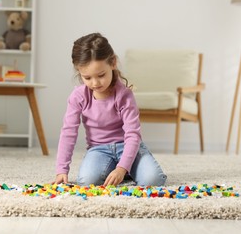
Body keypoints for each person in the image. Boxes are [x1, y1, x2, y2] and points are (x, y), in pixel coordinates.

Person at [54, 32, 167, 187]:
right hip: (99, 150)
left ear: (113, 63)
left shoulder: (124, 95)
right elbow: (68, 132)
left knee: (153, 180)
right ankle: (119, 169)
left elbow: (133, 135)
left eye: (101, 75)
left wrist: (121, 169)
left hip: (128, 146)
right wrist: (62, 170)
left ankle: (125, 168)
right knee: (87, 181)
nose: (94, 83)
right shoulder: (78, 97)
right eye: (87, 78)